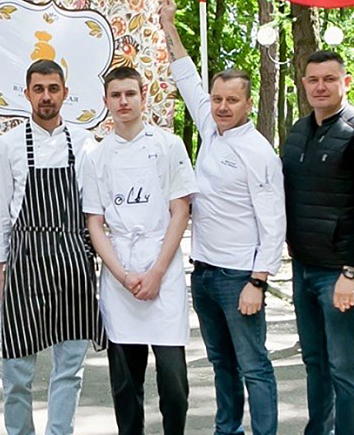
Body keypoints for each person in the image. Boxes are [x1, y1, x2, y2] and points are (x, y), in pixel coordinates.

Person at [161, 0, 286, 435]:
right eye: (217, 99)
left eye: (231, 100)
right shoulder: (211, 130)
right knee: (221, 364)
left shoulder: (259, 152)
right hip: (205, 273)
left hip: (240, 277)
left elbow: (274, 223)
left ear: (248, 103)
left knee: (254, 365)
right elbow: (186, 76)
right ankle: (227, 429)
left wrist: (258, 281)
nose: (222, 106)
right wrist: (169, 24)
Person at [0, 59, 104, 435]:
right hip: (25, 259)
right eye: (39, 89)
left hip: (73, 258)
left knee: (69, 367)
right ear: (27, 94)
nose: (46, 96)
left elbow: (93, 210)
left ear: (65, 93)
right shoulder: (6, 145)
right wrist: (0, 268)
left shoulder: (85, 142)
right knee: (18, 368)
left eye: (53, 89)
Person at [82, 66, 198, 435]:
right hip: (121, 275)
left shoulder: (168, 146)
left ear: (142, 96)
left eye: (130, 94)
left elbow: (180, 210)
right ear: (106, 102)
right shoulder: (95, 157)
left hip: (161, 268)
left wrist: (156, 273)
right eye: (115, 95)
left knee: (174, 383)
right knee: (126, 384)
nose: (123, 102)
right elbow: (95, 223)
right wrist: (123, 274)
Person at [282, 51, 354, 435]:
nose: (320, 86)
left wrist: (351, 270)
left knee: (344, 366)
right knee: (314, 360)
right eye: (313, 79)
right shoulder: (298, 130)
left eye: (329, 78)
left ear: (346, 82)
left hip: (338, 271)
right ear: (304, 84)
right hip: (304, 265)